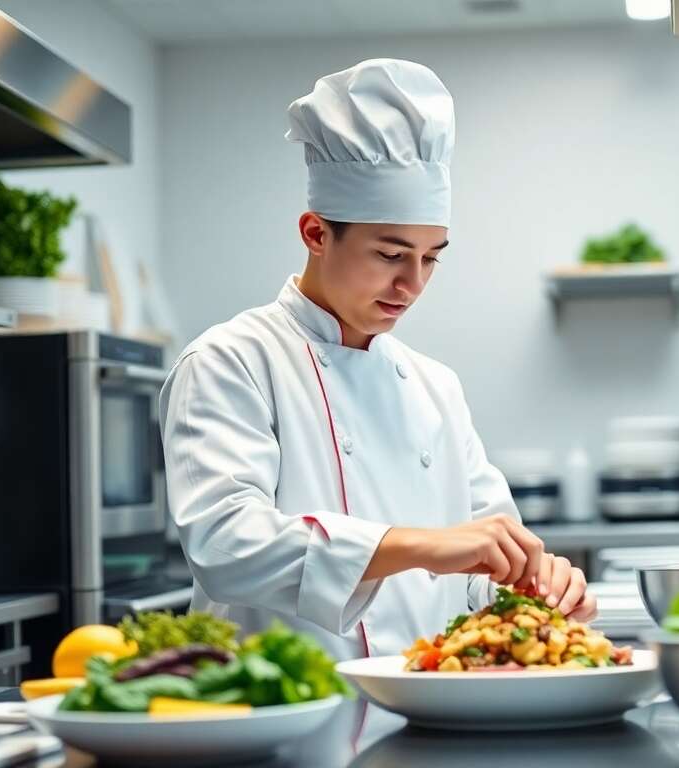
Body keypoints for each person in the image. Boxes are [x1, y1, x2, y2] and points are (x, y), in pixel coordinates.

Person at [158, 58, 596, 666]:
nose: (411, 283)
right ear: (315, 232)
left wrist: (539, 581)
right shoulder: (230, 361)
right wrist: (419, 546)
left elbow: (485, 559)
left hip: (428, 709)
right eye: (390, 253)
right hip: (286, 718)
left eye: (430, 258)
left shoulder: (434, 386)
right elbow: (226, 544)